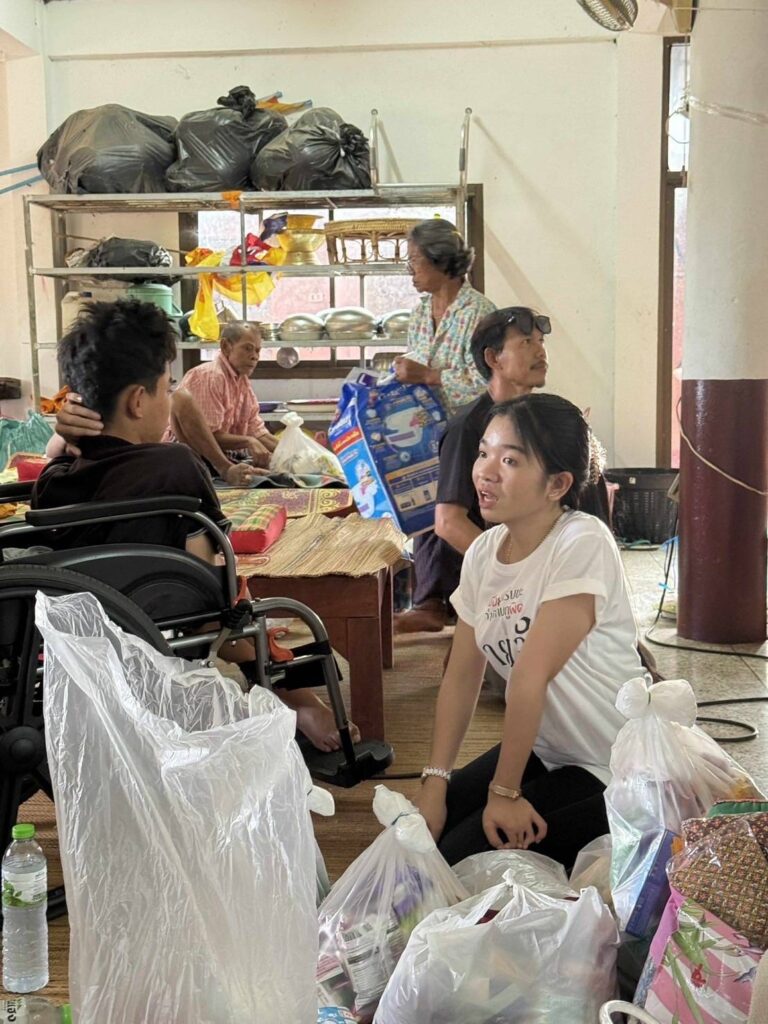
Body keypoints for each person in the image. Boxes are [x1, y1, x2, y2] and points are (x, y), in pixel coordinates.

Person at [33, 298, 357, 752]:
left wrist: (63, 440)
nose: (171, 399)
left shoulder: (53, 478)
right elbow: (210, 573)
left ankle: (293, 697)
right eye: (167, 389)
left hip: (79, 633)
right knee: (231, 593)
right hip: (167, 614)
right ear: (138, 400)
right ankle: (299, 699)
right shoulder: (174, 465)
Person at [417, 393, 647, 870]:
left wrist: (504, 792)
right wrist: (435, 781)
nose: (486, 472)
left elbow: (529, 675)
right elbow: (461, 676)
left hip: (613, 764)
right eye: (484, 453)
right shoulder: (484, 554)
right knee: (420, 840)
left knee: (458, 862)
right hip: (548, 749)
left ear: (557, 484)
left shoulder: (581, 541)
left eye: (510, 460)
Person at [392, 219, 496, 634]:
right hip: (427, 431)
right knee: (426, 507)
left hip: (471, 430)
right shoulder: (420, 313)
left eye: (415, 261)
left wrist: (429, 376)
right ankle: (430, 600)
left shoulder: (480, 313)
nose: (411, 270)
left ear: (442, 261)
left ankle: (447, 602)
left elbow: (488, 381)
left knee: (456, 511)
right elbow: (417, 367)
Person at [165, 321, 278, 464]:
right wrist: (248, 441)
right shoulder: (210, 376)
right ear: (225, 346)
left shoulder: (242, 381)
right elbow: (205, 437)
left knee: (278, 468)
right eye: (248, 348)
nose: (254, 356)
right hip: (188, 455)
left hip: (219, 454)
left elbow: (256, 430)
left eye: (257, 351)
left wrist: (291, 450)